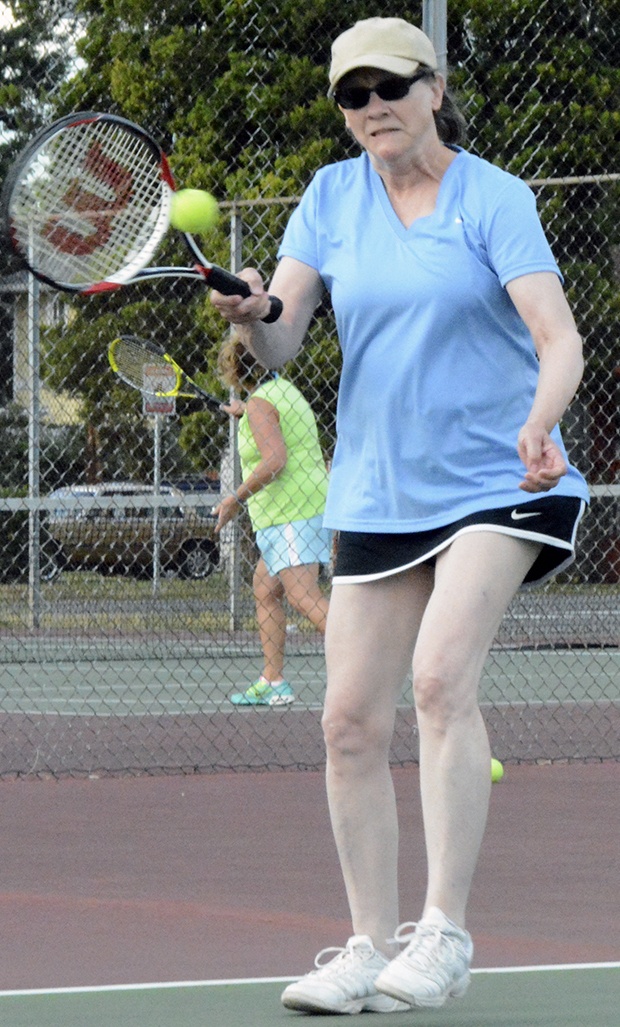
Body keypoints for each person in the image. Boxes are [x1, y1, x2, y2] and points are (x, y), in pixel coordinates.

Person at [210, 15, 589, 1014]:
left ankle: (445, 932)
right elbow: (285, 338)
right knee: (344, 721)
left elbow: (558, 338)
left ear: (432, 87)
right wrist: (255, 313)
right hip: (380, 490)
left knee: (436, 678)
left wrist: (539, 422)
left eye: (388, 86)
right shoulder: (330, 199)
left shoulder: (492, 198)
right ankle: (369, 947)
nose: (371, 106)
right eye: (351, 94)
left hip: (499, 479)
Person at [214, 335, 331, 706]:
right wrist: (247, 411)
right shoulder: (279, 392)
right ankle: (274, 681)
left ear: (235, 371)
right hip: (292, 513)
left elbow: (274, 461)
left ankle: (370, 668)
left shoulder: (262, 405)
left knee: (304, 597)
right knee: (265, 589)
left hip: (292, 514)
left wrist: (235, 498)